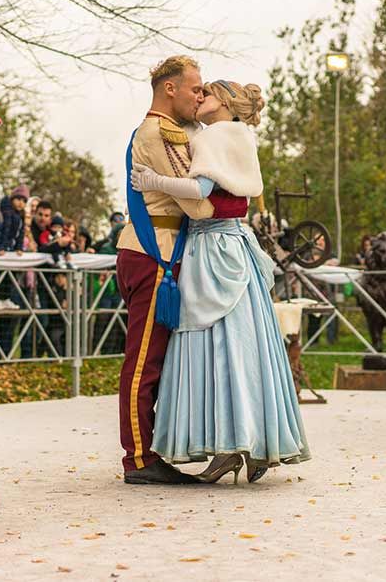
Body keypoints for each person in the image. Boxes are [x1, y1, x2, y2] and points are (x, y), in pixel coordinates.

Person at [132, 78, 311, 483]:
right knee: (248, 345)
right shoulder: (242, 135)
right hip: (236, 242)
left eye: (206, 94)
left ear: (225, 103)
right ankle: (256, 439)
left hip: (211, 244)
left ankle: (228, 444)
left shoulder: (213, 136)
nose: (200, 99)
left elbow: (200, 189)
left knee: (214, 345)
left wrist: (153, 182)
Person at [114, 56, 218, 485]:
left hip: (155, 248)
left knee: (153, 357)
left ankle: (149, 449)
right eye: (195, 88)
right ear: (169, 88)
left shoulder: (173, 130)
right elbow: (197, 202)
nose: (200, 95)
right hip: (154, 250)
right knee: (144, 361)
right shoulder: (160, 131)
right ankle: (138, 457)